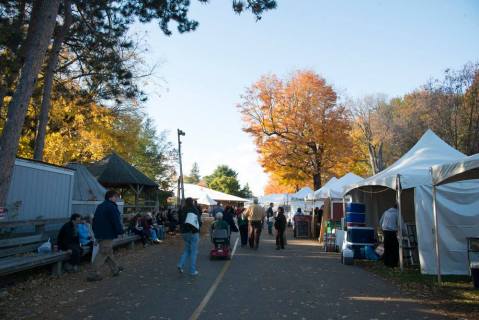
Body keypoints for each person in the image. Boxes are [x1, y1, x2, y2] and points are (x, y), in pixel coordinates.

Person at [87, 190, 124, 281]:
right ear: (110, 197)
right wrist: (120, 232)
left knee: (108, 252)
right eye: (115, 197)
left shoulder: (100, 206)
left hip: (100, 233)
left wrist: (96, 233)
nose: (116, 199)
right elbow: (116, 221)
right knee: (103, 253)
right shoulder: (112, 207)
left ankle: (115, 269)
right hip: (107, 233)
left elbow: (94, 221)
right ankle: (93, 273)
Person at [177, 197, 202, 276]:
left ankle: (180, 264)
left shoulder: (182, 210)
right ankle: (192, 270)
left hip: (184, 232)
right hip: (193, 232)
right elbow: (198, 221)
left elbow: (179, 221)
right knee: (194, 252)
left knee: (187, 250)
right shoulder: (194, 210)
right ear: (192, 202)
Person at [379, 203, 404, 268]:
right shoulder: (397, 213)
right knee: (395, 248)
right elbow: (401, 223)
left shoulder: (386, 212)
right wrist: (403, 231)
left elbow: (380, 222)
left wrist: (383, 229)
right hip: (392, 232)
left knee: (387, 248)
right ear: (397, 208)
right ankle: (393, 264)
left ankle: (386, 263)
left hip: (385, 232)